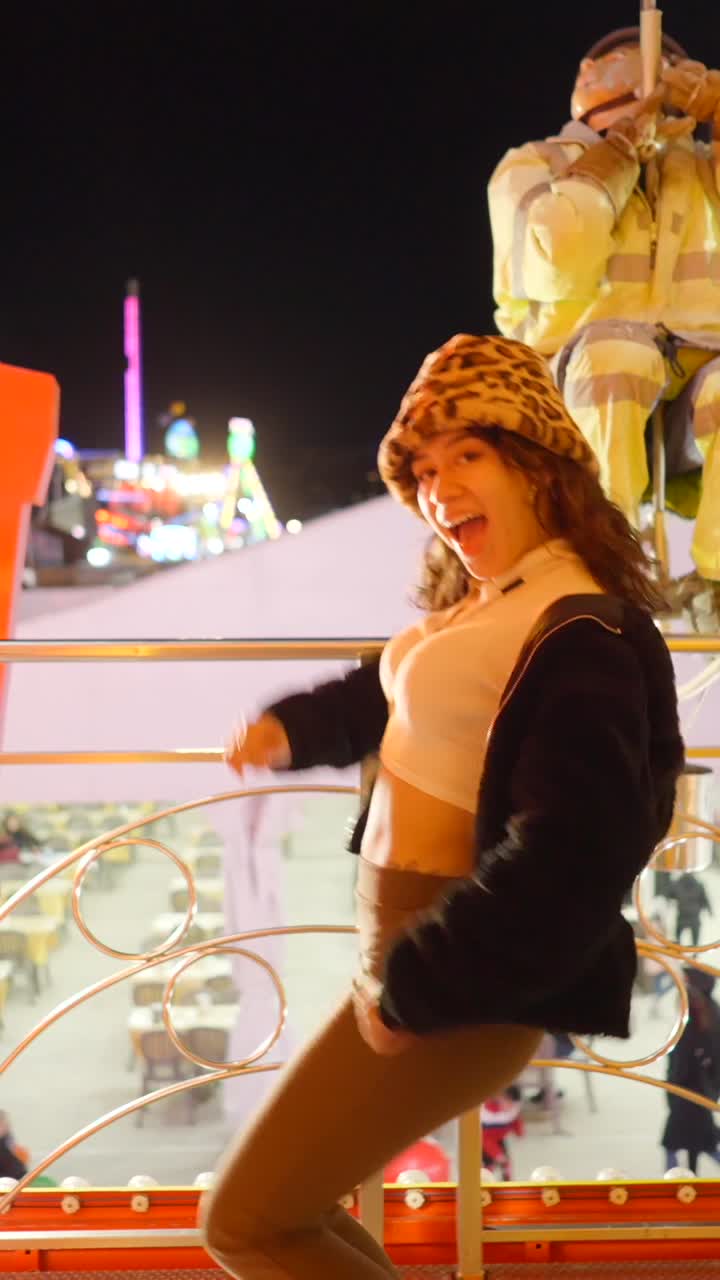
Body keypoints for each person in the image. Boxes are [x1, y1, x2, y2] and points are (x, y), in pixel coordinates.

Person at [200, 333, 684, 1280]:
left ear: (540, 464)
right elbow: (398, 697)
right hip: (411, 964)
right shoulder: (490, 602)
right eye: (423, 469)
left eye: (468, 455)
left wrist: (418, 985)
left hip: (458, 977)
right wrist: (293, 729)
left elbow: (574, 853)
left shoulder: (580, 629)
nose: (438, 487)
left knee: (248, 1220)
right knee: (284, 1209)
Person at [489, 26, 720, 625]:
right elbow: (556, 260)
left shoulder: (698, 170)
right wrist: (616, 154)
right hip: (572, 397)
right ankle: (604, 571)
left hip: (689, 387)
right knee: (618, 354)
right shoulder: (533, 166)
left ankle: (717, 581)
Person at [661, 967, 720, 1174]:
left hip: (687, 1091)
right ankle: (680, 1178)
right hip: (702, 1090)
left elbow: (681, 1062)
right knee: (699, 1142)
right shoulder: (711, 1011)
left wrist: (671, 1088)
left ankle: (672, 1182)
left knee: (676, 1142)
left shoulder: (692, 1019)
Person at [670, 871, 712, 947]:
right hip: (694, 915)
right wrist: (709, 910)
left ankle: (677, 947)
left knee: (678, 934)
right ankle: (694, 949)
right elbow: (704, 899)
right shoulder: (698, 884)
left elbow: (670, 895)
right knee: (695, 937)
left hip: (683, 914)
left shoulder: (677, 883)